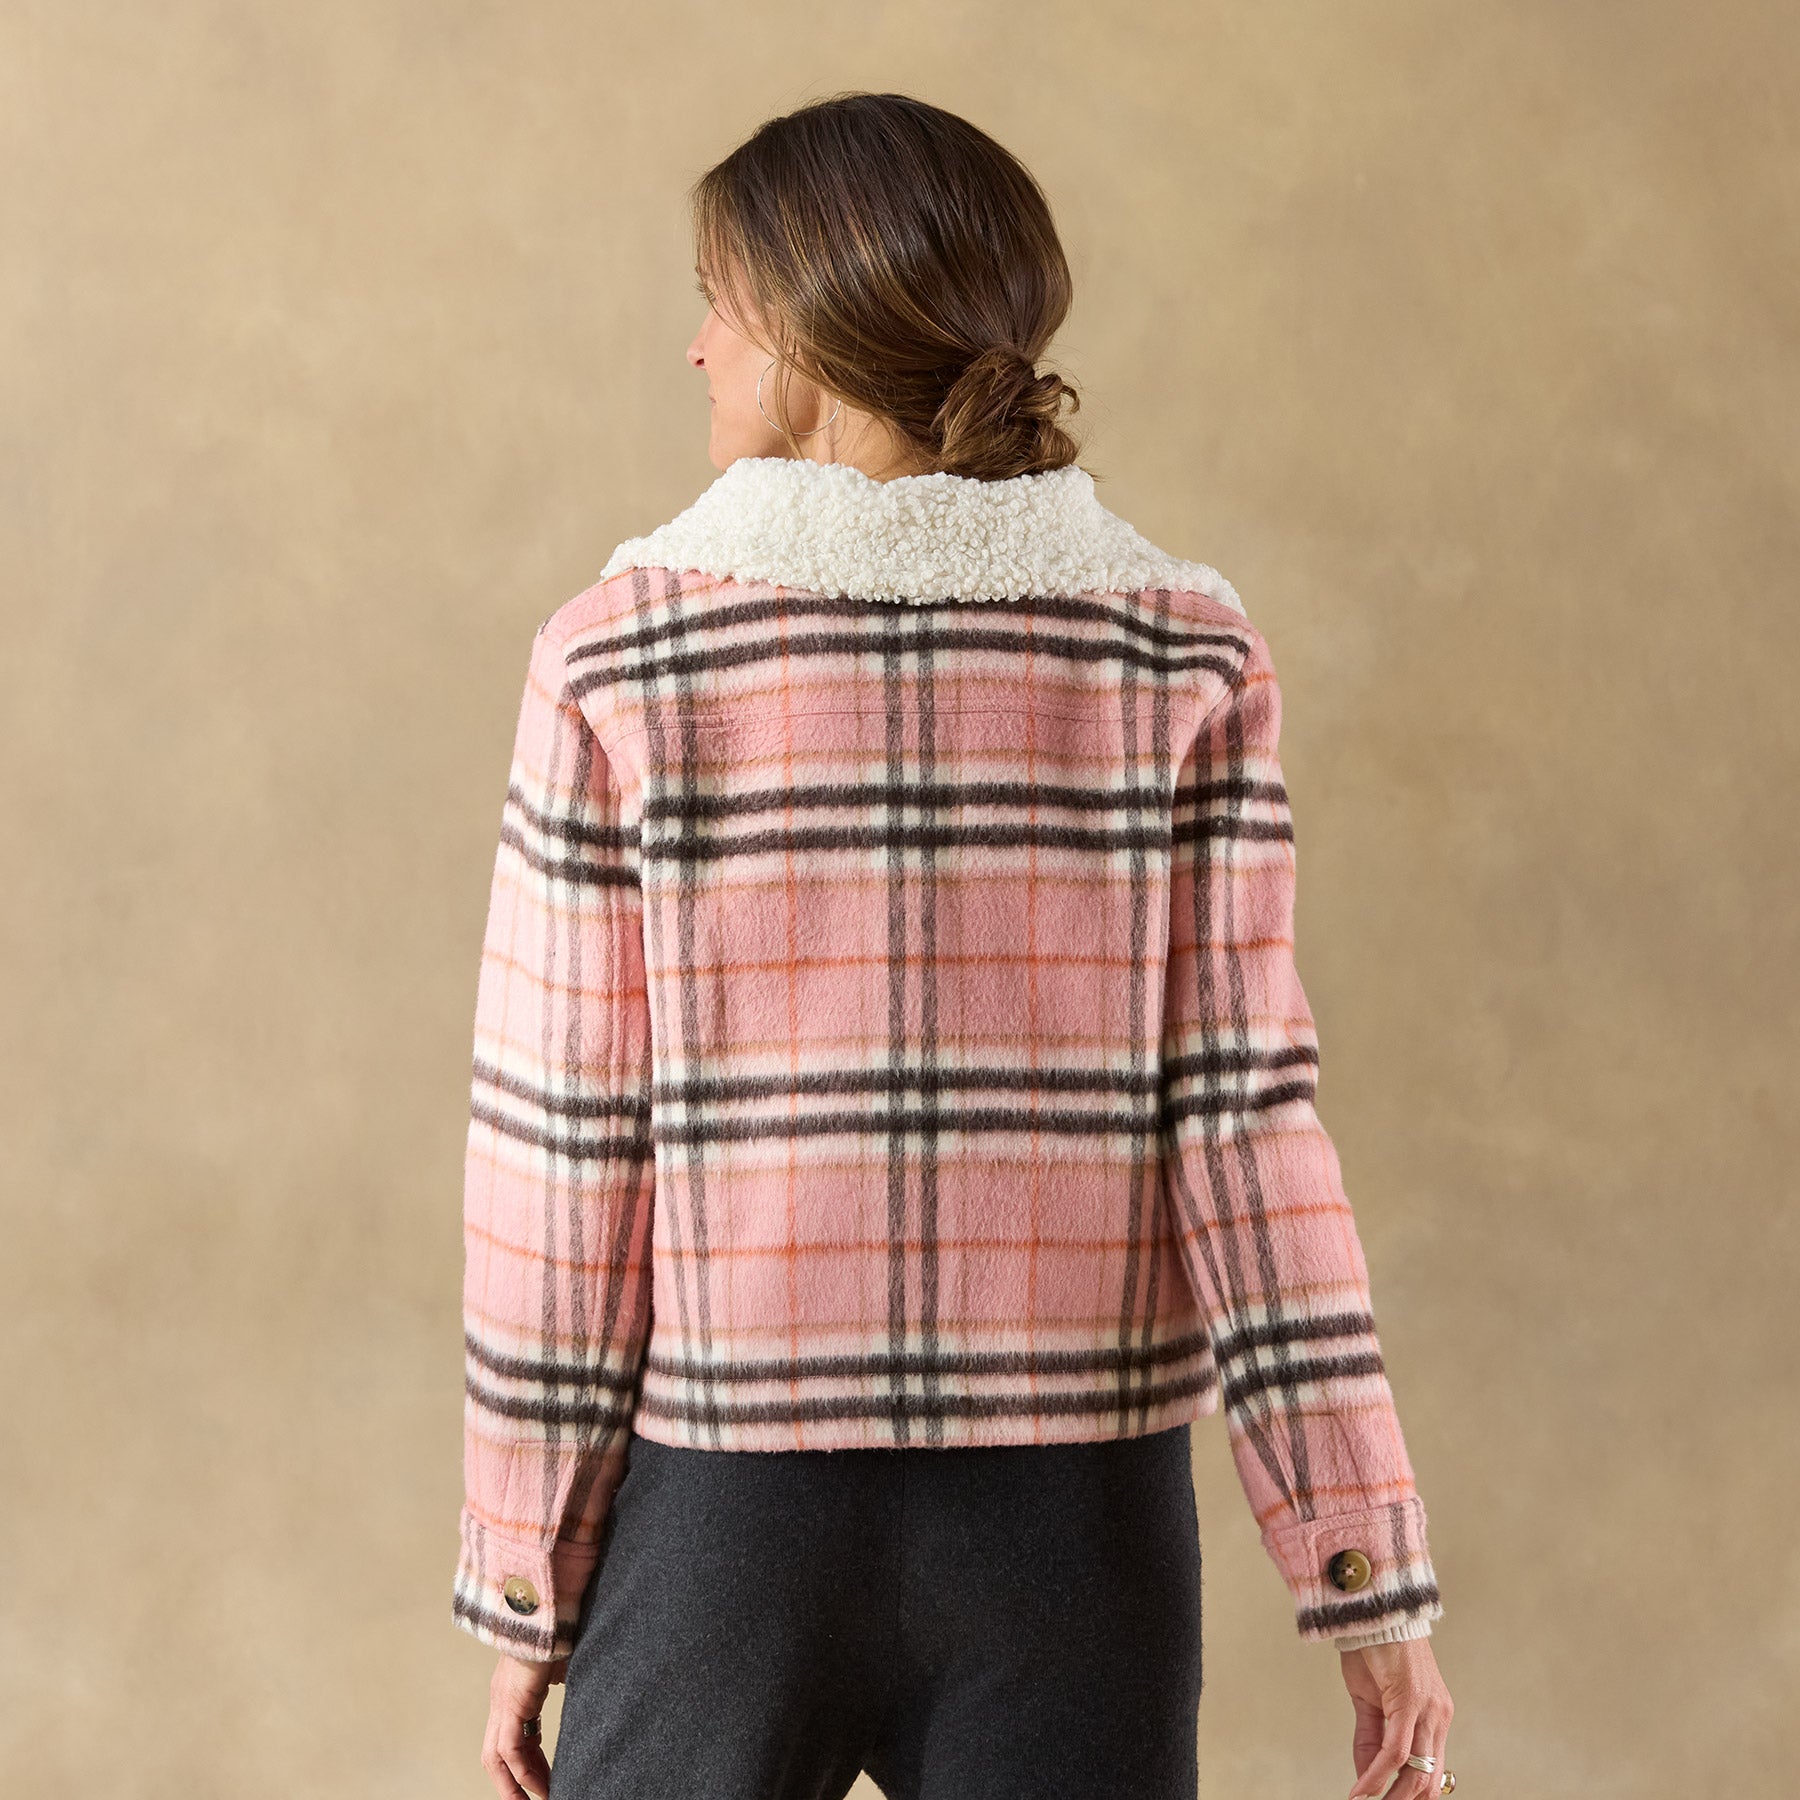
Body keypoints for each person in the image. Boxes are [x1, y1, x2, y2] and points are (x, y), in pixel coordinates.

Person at [452, 90, 1455, 1800]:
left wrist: (528, 1581)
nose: (695, 349)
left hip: (720, 1525)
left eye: (717, 303)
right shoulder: (1178, 654)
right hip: (1079, 1537)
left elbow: (562, 1155)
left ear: (811, 323)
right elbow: (1249, 1135)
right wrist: (1361, 1565)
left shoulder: (619, 662)